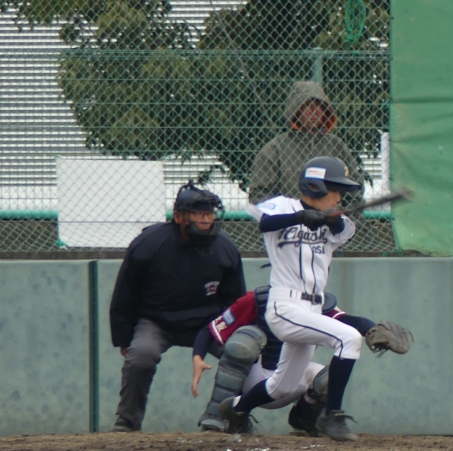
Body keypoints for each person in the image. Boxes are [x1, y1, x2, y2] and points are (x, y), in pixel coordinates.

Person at [218, 156, 364, 442]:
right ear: (316, 186)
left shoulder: (336, 221)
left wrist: (330, 218)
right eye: (334, 189)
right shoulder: (282, 206)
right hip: (285, 305)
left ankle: (235, 408)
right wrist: (300, 217)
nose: (338, 197)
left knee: (281, 388)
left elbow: (341, 230)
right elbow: (265, 223)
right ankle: (332, 416)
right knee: (349, 339)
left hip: (312, 307)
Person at [108, 180, 246, 433]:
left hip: (208, 323)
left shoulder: (224, 247)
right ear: (178, 217)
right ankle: (127, 421)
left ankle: (224, 417)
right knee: (140, 356)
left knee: (242, 351)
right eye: (198, 213)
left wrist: (234, 334)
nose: (205, 219)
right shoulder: (150, 242)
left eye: (209, 214)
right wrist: (124, 338)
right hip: (157, 321)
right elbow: (125, 294)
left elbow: (235, 302)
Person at [192, 286, 381, 435]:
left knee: (328, 377)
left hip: (291, 378)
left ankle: (306, 419)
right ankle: (220, 417)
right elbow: (211, 329)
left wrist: (374, 330)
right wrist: (198, 357)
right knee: (243, 344)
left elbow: (347, 321)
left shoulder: (316, 301)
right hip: (254, 379)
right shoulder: (258, 299)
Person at [248, 80, 365, 205]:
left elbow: (354, 189)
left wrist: (342, 214)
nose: (314, 111)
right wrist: (290, 212)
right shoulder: (275, 149)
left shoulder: (336, 145)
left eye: (319, 105)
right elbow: (259, 197)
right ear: (295, 109)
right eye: (307, 105)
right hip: (291, 216)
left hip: (332, 216)